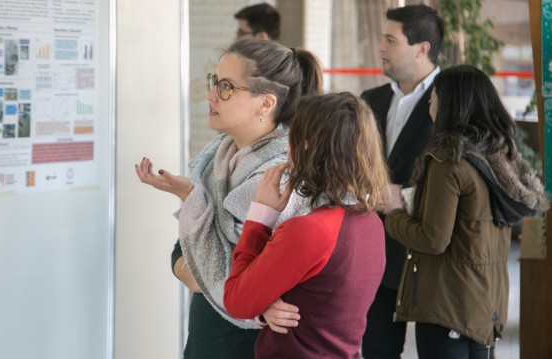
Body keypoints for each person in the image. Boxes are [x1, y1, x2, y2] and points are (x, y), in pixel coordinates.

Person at [136, 39, 323, 359]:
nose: (211, 95)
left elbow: (227, 276)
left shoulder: (282, 175)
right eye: (214, 82)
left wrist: (191, 201)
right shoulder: (215, 160)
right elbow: (186, 257)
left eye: (226, 87)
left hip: (249, 346)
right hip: (208, 338)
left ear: (265, 103)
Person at [384, 65, 547, 358]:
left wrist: (394, 212)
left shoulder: (449, 160)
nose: (430, 104)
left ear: (450, 104)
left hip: (449, 305)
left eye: (433, 97)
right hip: (486, 304)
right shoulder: (497, 156)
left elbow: (433, 239)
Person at [223, 92, 389, 358]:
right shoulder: (372, 224)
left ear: (307, 146)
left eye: (293, 135)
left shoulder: (310, 230)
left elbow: (236, 301)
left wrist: (260, 218)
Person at [359, 4, 444, 358]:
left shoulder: (456, 99)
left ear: (422, 48)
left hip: (435, 257)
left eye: (390, 40)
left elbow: (468, 173)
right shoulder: (371, 100)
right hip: (376, 256)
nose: (380, 47)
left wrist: (405, 197)